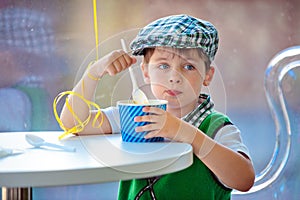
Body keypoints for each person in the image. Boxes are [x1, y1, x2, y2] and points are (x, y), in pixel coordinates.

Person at [60, 14, 255, 199]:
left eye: (188, 67)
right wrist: (93, 73)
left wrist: (184, 132)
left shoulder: (216, 127)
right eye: (163, 66)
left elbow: (244, 179)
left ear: (208, 75)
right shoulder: (136, 115)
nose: (174, 77)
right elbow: (74, 123)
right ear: (145, 71)